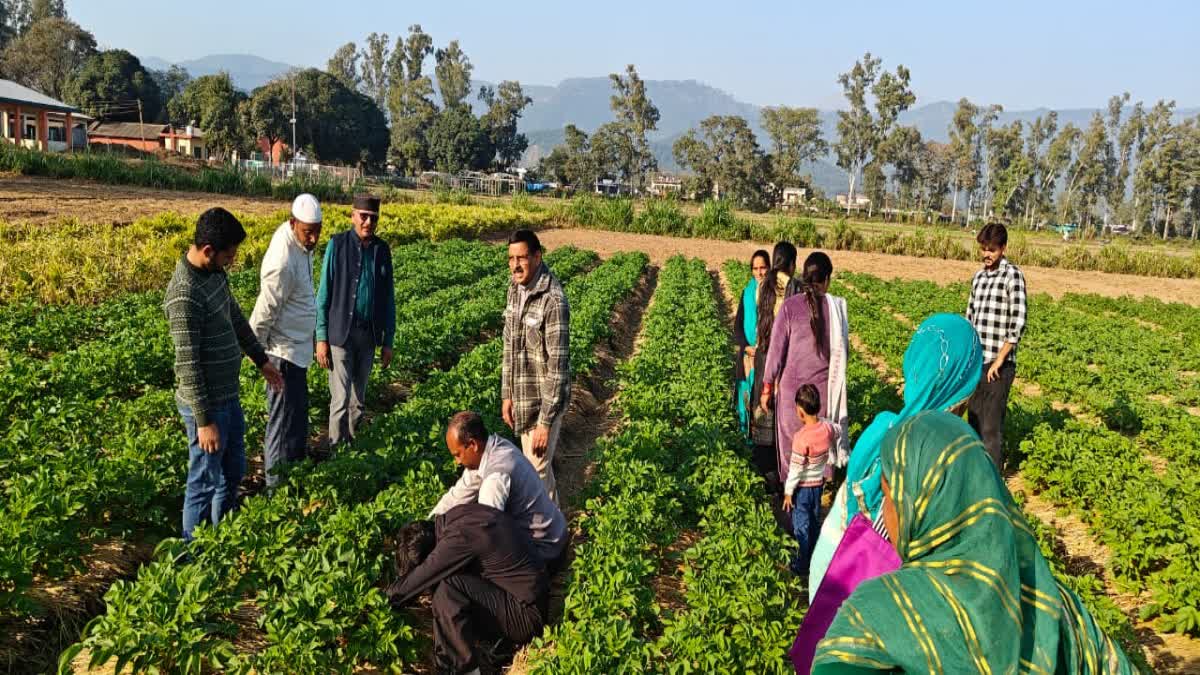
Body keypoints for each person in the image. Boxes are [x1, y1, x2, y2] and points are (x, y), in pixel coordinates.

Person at [811, 411, 1135, 674]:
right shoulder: (1055, 606)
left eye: (889, 492)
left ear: (919, 505)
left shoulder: (877, 614)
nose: (885, 508)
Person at [808, 313, 981, 601]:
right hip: (881, 605)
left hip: (833, 575)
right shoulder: (951, 457)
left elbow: (849, 512)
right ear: (962, 385)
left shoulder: (883, 430)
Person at [164, 207, 283, 541]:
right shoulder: (184, 295)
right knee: (202, 482)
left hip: (227, 397)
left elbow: (235, 317)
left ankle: (222, 538)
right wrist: (204, 421)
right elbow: (188, 365)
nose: (232, 261)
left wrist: (261, 360)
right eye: (229, 255)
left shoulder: (214, 274)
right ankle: (193, 554)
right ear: (208, 251)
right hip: (206, 407)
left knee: (232, 473)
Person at [385, 504, 549, 675]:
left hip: (527, 616)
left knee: (447, 589)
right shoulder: (455, 518)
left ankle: (465, 670)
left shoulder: (460, 538)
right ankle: (494, 650)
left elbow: (413, 584)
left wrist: (379, 602)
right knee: (452, 583)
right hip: (525, 596)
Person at [760, 252, 849, 495]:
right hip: (821, 398)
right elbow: (842, 355)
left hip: (793, 400)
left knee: (793, 456)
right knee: (817, 460)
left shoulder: (790, 306)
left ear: (803, 276)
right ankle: (810, 512)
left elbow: (775, 353)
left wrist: (767, 388)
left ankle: (792, 516)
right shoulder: (836, 309)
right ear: (827, 279)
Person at [249, 194, 322, 489]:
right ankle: (275, 490)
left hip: (298, 351)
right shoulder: (282, 262)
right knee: (280, 426)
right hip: (282, 354)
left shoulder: (300, 244)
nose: (315, 238)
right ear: (293, 223)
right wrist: (261, 359)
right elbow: (263, 312)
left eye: (318, 230)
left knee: (296, 422)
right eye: (308, 232)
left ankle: (293, 479)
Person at [430, 411, 568, 566]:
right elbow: (457, 495)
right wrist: (429, 524)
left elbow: (486, 533)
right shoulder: (494, 448)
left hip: (546, 549)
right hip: (556, 531)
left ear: (473, 444)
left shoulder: (495, 478)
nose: (457, 462)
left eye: (457, 454)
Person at [315, 194, 395, 447]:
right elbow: (323, 294)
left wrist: (388, 341)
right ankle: (336, 451)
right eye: (364, 217)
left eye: (373, 218)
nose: (368, 222)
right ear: (352, 216)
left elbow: (388, 298)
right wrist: (321, 337)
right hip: (340, 334)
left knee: (358, 398)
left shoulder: (381, 251)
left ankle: (353, 446)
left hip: (368, 335)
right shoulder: (336, 245)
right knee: (339, 399)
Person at [501, 229, 570, 504]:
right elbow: (509, 346)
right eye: (511, 258)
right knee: (538, 475)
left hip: (544, 406)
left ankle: (547, 540)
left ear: (538, 256)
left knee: (534, 478)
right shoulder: (515, 289)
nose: (515, 265)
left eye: (522, 258)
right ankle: (556, 529)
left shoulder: (553, 300)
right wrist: (507, 394)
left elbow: (558, 367)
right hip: (521, 399)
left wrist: (545, 423)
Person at [966, 222, 1027, 470]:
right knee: (973, 422)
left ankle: (992, 479)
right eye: (983, 248)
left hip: (999, 365)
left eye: (991, 249)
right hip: (977, 363)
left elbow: (1019, 320)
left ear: (1003, 248)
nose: (986, 254)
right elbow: (970, 316)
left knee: (991, 426)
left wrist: (1001, 359)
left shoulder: (1012, 275)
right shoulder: (979, 278)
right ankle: (972, 473)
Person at [749, 242, 801, 486]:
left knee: (763, 409)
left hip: (763, 354)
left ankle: (764, 472)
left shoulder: (763, 285)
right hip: (785, 356)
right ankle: (782, 475)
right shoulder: (795, 286)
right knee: (783, 412)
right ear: (791, 263)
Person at [783, 384, 834, 577]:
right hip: (818, 486)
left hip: (802, 489)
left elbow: (795, 470)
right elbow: (837, 430)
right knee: (813, 521)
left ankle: (802, 565)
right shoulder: (827, 428)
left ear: (800, 411)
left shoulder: (801, 438)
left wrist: (788, 491)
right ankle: (815, 557)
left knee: (801, 526)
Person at [733, 249, 770, 441]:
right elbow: (737, 328)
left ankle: (759, 446)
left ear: (769, 268)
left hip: (765, 360)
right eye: (755, 268)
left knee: (761, 409)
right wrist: (747, 347)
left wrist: (763, 349)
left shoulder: (773, 297)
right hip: (747, 359)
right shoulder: (746, 294)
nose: (759, 272)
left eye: (763, 268)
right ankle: (744, 442)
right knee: (745, 404)